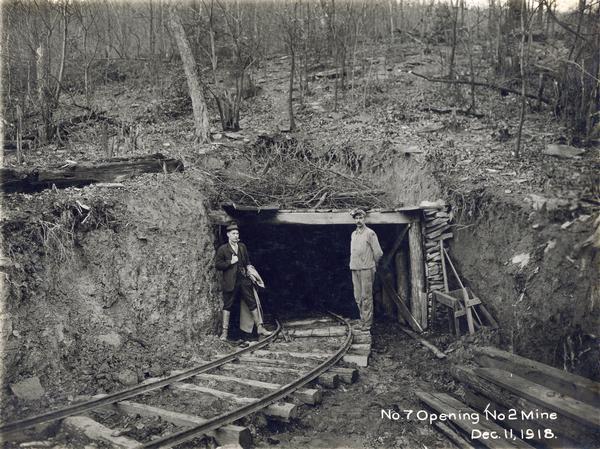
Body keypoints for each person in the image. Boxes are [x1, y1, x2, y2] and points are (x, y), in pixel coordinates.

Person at [215, 222, 271, 341]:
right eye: (233, 233)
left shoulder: (242, 247)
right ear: (228, 235)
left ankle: (260, 327)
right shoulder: (223, 249)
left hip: (244, 280)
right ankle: (224, 333)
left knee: (252, 302)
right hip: (230, 282)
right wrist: (230, 262)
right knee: (228, 305)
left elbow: (247, 261)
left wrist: (250, 271)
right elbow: (218, 265)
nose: (236, 235)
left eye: (237, 233)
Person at [349, 208, 383, 331]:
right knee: (358, 296)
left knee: (366, 296)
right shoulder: (354, 234)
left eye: (361, 218)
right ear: (354, 220)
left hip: (366, 269)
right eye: (356, 218)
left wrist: (372, 264)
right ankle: (362, 320)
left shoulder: (370, 233)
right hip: (355, 267)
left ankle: (367, 323)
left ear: (364, 219)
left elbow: (378, 252)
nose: (358, 220)